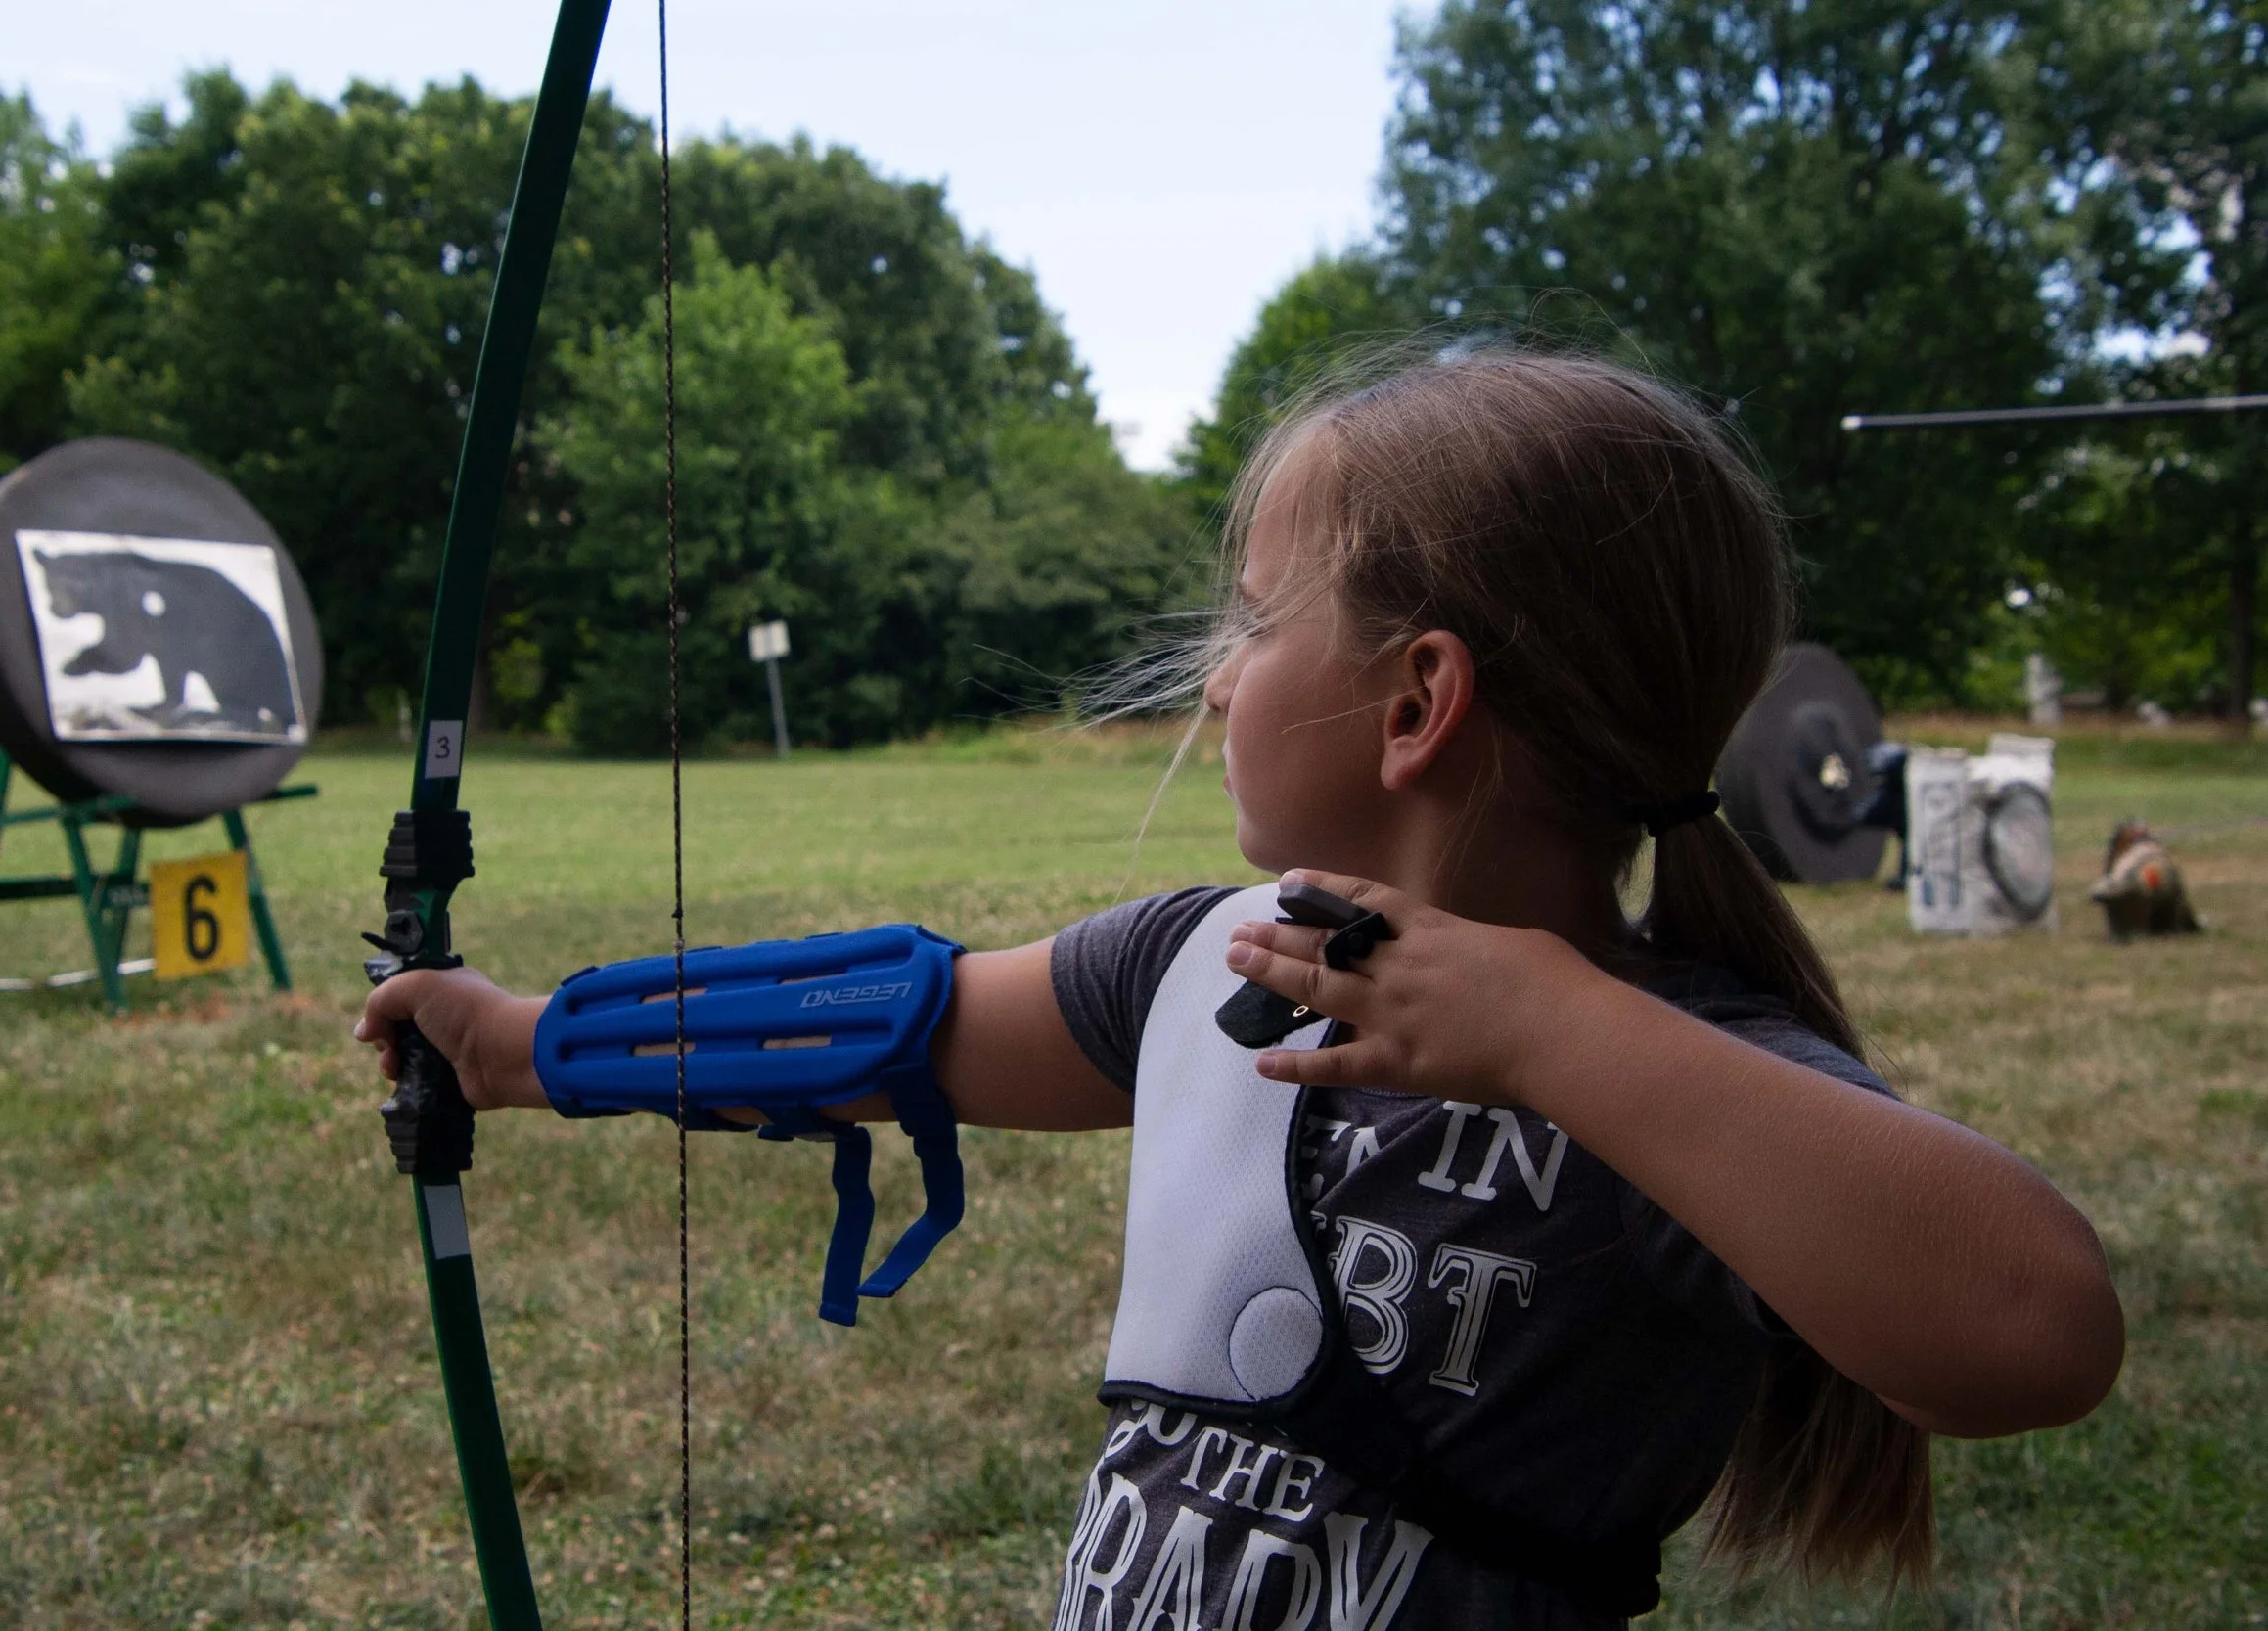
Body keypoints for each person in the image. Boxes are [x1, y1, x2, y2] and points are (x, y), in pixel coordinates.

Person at [358, 348, 2122, 1627]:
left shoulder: (1684, 1077)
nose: (1217, 684)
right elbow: (895, 1026)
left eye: (1257, 622)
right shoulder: (1206, 959)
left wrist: (1549, 1030)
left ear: (1419, 702)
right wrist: (524, 1043)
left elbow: (2033, 1322)